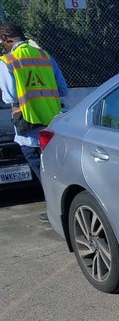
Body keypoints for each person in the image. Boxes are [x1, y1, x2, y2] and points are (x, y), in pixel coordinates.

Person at [0, 22, 68, 219]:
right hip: (53, 120)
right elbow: (62, 89)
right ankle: (63, 205)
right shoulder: (45, 56)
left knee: (38, 165)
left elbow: (9, 96)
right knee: (55, 165)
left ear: (7, 40)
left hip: (28, 122)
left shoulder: (7, 61)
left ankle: (55, 210)